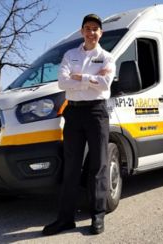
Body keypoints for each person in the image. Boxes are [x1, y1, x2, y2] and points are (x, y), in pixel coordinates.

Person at [42, 13, 116, 236]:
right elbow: (62, 82)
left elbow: (104, 86)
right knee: (71, 166)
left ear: (100, 33)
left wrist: (78, 77)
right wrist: (90, 78)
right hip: (73, 112)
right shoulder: (70, 54)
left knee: (98, 164)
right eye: (87, 28)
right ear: (82, 31)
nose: (91, 32)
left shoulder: (107, 58)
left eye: (95, 28)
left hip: (96, 113)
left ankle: (97, 215)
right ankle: (65, 219)